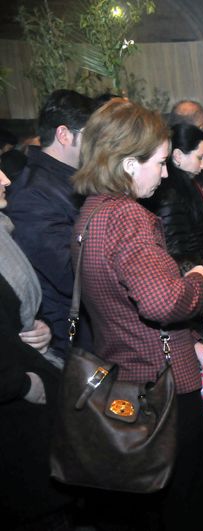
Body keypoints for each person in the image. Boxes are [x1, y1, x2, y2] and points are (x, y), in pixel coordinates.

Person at [70, 100, 203, 529]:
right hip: (162, 390)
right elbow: (162, 303)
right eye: (159, 163)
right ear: (129, 164)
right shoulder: (127, 217)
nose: (165, 174)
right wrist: (199, 284)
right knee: (185, 506)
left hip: (122, 378)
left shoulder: (91, 212)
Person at [1, 167, 73, 530]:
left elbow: (17, 306)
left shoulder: (3, 232)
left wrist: (40, 326)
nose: (5, 179)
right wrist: (23, 384)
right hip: (15, 413)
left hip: (32, 385)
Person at [5, 89, 97, 360]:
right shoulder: (33, 195)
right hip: (72, 341)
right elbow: (70, 274)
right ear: (64, 134)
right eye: (92, 135)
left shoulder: (69, 180)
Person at [142, 123, 203, 284]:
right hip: (194, 281)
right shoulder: (170, 193)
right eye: (200, 157)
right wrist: (200, 279)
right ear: (178, 156)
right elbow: (178, 250)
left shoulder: (186, 185)